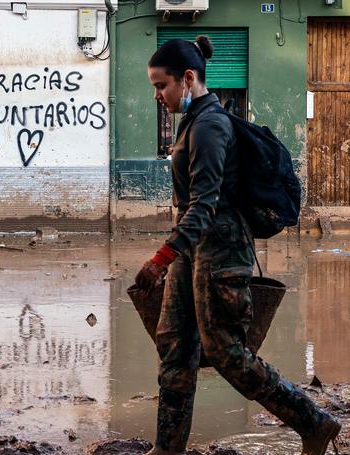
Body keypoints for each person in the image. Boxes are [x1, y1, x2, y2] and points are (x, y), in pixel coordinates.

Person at [135, 35, 341, 455]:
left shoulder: (210, 126)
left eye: (161, 85)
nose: (157, 95)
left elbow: (205, 206)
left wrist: (161, 258)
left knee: (227, 353)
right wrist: (174, 257)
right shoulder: (192, 123)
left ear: (187, 78)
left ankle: (315, 423)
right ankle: (167, 447)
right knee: (174, 347)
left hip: (221, 250)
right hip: (193, 250)